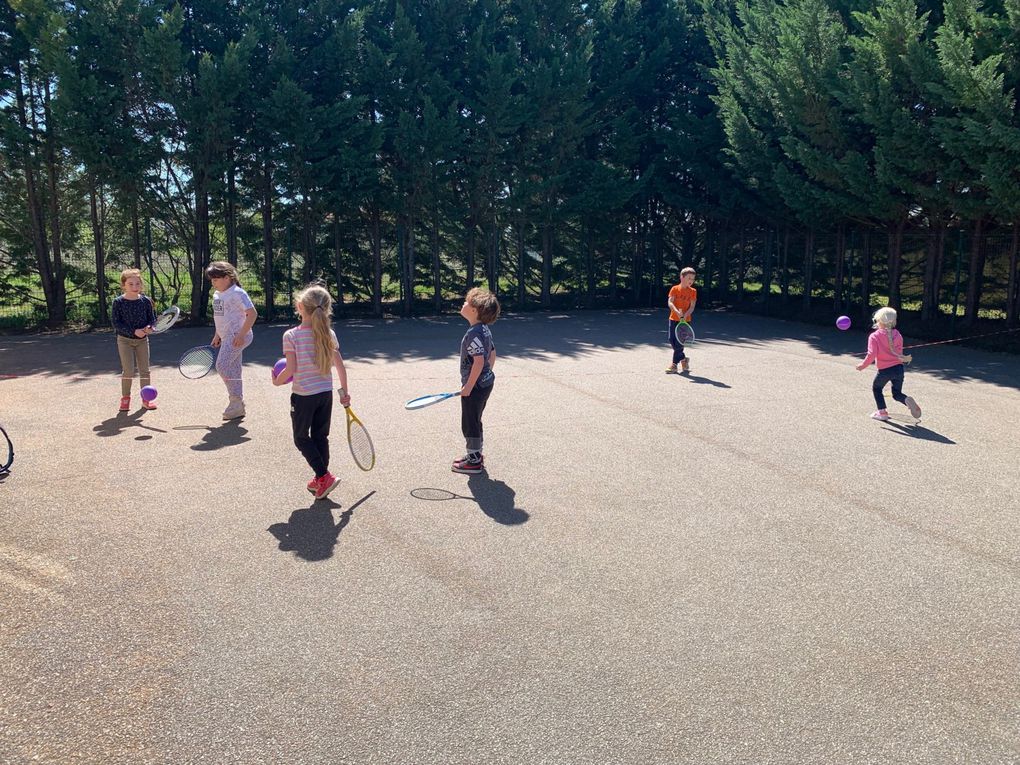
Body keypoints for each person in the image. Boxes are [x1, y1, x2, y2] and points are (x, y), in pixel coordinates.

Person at [272, 284, 351, 500]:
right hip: (325, 394)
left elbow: (290, 369)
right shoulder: (329, 333)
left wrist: (278, 382)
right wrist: (344, 392)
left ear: (299, 306)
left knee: (300, 438)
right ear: (326, 309)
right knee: (320, 436)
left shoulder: (291, 336)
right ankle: (321, 481)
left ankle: (324, 476)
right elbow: (341, 366)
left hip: (304, 396)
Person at [453, 287, 499, 474]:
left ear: (473, 310)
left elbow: (479, 361)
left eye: (466, 302)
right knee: (475, 419)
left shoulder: (473, 333)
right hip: (485, 382)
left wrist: (469, 386)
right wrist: (486, 375)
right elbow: (493, 353)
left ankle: (473, 461)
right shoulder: (484, 329)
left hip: (476, 386)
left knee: (470, 422)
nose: (463, 304)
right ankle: (476, 454)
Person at [207, 261, 257, 420]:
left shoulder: (237, 293)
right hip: (227, 336)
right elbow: (220, 317)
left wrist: (241, 335)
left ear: (228, 277)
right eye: (211, 279)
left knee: (221, 366)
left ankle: (235, 400)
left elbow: (252, 314)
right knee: (233, 369)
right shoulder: (217, 295)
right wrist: (217, 335)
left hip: (238, 336)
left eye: (215, 279)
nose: (213, 282)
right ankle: (237, 405)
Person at [856, 306, 922, 421]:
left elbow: (871, 354)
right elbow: (899, 352)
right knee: (896, 393)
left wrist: (862, 365)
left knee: (877, 388)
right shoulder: (897, 334)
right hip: (898, 368)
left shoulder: (874, 336)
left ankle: (882, 412)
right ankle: (906, 400)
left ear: (879, 320)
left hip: (884, 370)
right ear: (894, 321)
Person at [111, 268, 158, 412]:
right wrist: (133, 331)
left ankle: (146, 400)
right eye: (130, 284)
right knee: (128, 371)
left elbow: (153, 319)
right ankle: (125, 399)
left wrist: (150, 327)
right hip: (124, 340)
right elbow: (116, 323)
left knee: (145, 371)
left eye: (137, 284)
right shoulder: (118, 302)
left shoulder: (146, 301)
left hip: (142, 341)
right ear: (123, 285)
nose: (135, 287)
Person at [666, 267, 697, 374]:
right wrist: (677, 312)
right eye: (689, 278)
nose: (691, 281)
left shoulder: (693, 291)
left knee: (679, 343)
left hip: (685, 321)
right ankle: (683, 359)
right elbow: (670, 302)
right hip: (673, 319)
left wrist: (685, 315)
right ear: (681, 277)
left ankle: (674, 365)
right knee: (671, 339)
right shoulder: (674, 289)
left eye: (693, 279)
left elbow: (692, 306)